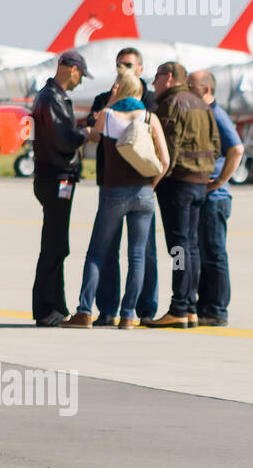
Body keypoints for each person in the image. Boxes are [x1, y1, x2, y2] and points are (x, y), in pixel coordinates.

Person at [63, 68, 169, 329]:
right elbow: (164, 160)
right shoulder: (148, 117)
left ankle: (85, 311)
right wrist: (150, 186)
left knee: (97, 252)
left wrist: (111, 100)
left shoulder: (107, 116)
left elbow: (95, 137)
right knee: (137, 256)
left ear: (118, 89)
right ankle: (129, 315)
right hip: (143, 193)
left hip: (113, 192)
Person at [83, 48, 159, 325]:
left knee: (143, 253)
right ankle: (108, 310)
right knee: (112, 252)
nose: (121, 69)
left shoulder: (150, 101)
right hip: (113, 183)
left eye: (127, 65)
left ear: (140, 68)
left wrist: (153, 182)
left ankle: (144, 309)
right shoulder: (103, 100)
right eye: (117, 65)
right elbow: (92, 127)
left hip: (134, 186)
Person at [145, 62, 219, 328]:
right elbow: (216, 145)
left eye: (156, 78)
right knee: (191, 247)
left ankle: (178, 307)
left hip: (177, 184)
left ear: (168, 78)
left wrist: (158, 177)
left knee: (178, 247)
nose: (153, 84)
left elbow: (169, 147)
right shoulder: (202, 104)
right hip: (199, 183)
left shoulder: (170, 105)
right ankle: (189, 308)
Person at [30, 50, 93, 326]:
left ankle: (55, 305)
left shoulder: (54, 97)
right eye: (80, 74)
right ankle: (47, 309)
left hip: (58, 178)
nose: (80, 81)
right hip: (56, 178)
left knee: (57, 245)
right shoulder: (51, 98)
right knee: (54, 245)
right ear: (71, 69)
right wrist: (86, 134)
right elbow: (62, 140)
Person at [189, 69, 244, 327]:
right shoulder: (201, 114)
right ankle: (204, 306)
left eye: (192, 86)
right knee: (202, 253)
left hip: (215, 197)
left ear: (207, 90)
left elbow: (236, 148)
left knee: (214, 253)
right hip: (203, 195)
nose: (188, 90)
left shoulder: (217, 115)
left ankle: (217, 309)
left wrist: (221, 179)